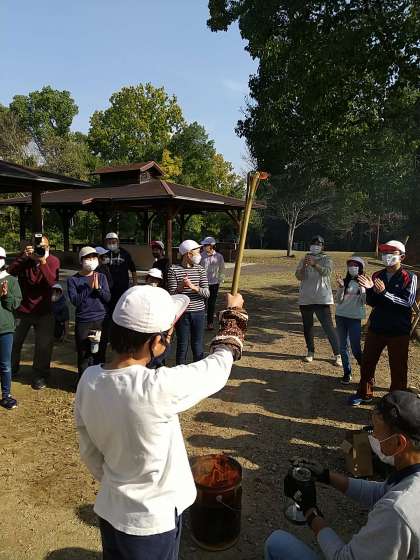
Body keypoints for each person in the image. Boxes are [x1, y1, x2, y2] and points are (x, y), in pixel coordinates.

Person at [75, 285, 247, 560]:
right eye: (168, 335)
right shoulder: (155, 387)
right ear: (156, 343)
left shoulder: (89, 379)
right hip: (151, 523)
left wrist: (115, 484)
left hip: (110, 508)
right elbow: (217, 367)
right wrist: (233, 315)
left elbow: (89, 450)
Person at [265, 389, 420, 560]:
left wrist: (310, 512)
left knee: (276, 542)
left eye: (376, 432)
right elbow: (380, 492)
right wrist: (326, 476)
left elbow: (343, 558)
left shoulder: (396, 512)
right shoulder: (410, 474)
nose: (372, 436)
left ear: (398, 443)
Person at [349, 240, 417, 406]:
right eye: (384, 252)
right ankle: (364, 393)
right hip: (377, 327)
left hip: (398, 331)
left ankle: (396, 402)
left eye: (391, 253)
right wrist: (369, 290)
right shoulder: (377, 275)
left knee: (398, 367)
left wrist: (384, 292)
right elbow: (373, 302)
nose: (387, 256)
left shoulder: (409, 277)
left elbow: (408, 302)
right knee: (367, 362)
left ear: (402, 257)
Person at [9, 234, 60, 390]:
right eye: (37, 246)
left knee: (43, 346)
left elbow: (52, 281)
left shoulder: (53, 261)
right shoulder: (26, 260)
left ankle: (40, 375)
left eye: (43, 247)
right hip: (23, 309)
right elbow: (11, 271)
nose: (40, 249)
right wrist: (23, 256)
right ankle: (10, 369)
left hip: (44, 311)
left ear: (48, 247)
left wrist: (42, 261)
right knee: (14, 342)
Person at [295, 235, 341, 365]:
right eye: (313, 243)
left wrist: (314, 264)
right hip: (306, 297)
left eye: (318, 244)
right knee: (308, 326)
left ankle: (338, 354)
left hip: (322, 298)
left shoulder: (327, 259)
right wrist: (304, 266)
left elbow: (327, 272)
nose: (315, 246)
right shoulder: (304, 259)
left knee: (328, 327)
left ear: (322, 246)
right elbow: (298, 276)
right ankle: (310, 352)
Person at [67, 247, 111, 381]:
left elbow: (108, 298)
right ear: (81, 261)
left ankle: (99, 382)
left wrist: (98, 289)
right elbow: (75, 301)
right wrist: (89, 288)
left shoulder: (101, 277)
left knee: (100, 352)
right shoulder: (73, 280)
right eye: (88, 258)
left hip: (100, 319)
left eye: (94, 257)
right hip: (84, 320)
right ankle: (83, 382)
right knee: (84, 353)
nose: (91, 260)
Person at [167, 240, 209, 365]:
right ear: (188, 254)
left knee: (197, 344)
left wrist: (193, 287)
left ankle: (199, 370)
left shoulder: (200, 270)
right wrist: (181, 287)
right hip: (182, 314)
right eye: (197, 252)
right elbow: (172, 295)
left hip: (199, 312)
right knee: (182, 344)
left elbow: (207, 293)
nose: (199, 255)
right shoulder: (173, 270)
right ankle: (180, 370)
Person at [335, 257, 366, 384]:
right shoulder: (345, 281)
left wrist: (363, 288)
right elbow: (338, 300)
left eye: (355, 265)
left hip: (354, 318)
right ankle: (347, 373)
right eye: (350, 265)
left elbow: (365, 301)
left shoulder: (364, 282)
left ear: (360, 268)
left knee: (355, 348)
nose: (352, 267)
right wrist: (341, 287)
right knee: (343, 347)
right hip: (340, 316)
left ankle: (367, 372)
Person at [0, 247, 22, 410]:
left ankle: (6, 395)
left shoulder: (11, 280)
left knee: (5, 364)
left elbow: (15, 304)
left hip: (5, 328)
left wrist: (6, 295)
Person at [105, 232, 137, 309]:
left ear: (118, 242)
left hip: (123, 285)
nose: (111, 244)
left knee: (121, 305)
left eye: (113, 242)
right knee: (110, 305)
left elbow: (133, 269)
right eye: (109, 242)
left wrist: (135, 283)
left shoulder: (125, 254)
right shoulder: (105, 254)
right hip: (109, 286)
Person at [200, 236, 225, 330]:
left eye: (205, 245)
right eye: (203, 245)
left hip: (214, 283)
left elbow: (222, 269)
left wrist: (220, 280)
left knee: (211, 304)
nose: (204, 246)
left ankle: (210, 323)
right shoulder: (200, 256)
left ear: (211, 246)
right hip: (202, 283)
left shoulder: (219, 256)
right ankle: (200, 323)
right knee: (202, 304)